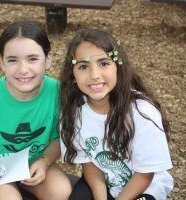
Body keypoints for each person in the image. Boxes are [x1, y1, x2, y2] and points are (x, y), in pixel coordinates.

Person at [0, 20, 71, 200]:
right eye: (12, 60)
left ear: (48, 60)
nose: (23, 70)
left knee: (61, 191)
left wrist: (45, 161)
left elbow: (57, 139)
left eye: (33, 59)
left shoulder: (57, 93)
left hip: (33, 161)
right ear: (2, 63)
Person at [59, 28, 173, 200]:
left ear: (118, 67)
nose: (94, 75)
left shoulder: (142, 113)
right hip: (103, 183)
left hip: (145, 187)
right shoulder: (74, 113)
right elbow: (90, 164)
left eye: (104, 63)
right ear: (73, 75)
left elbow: (145, 175)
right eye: (83, 66)